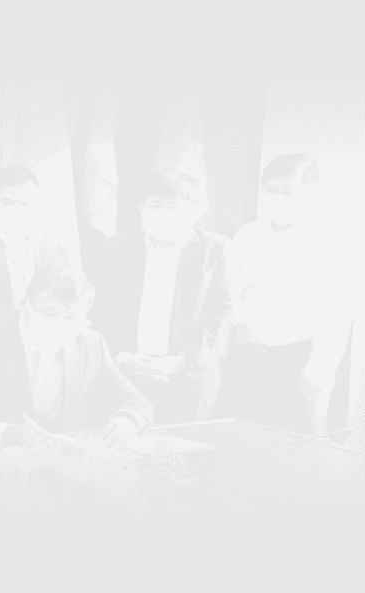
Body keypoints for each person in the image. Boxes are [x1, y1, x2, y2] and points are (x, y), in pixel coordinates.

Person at [0, 249, 154, 460]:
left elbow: (136, 400)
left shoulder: (92, 344)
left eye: (71, 319)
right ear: (25, 306)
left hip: (68, 463)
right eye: (50, 313)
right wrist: (4, 432)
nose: (59, 325)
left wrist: (127, 420)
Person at [214, 153, 348, 435]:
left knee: (293, 445)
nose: (276, 198)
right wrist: (228, 343)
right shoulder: (247, 235)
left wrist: (318, 369)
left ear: (311, 192)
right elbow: (231, 296)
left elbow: (338, 314)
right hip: (246, 358)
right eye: (270, 190)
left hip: (297, 359)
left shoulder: (330, 242)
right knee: (234, 437)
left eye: (287, 191)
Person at [90, 168, 231, 424]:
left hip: (182, 377)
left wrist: (183, 359)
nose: (164, 213)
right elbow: (100, 310)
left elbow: (220, 311)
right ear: (141, 208)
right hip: (121, 375)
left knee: (174, 442)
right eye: (155, 205)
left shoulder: (215, 249)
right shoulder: (114, 248)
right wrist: (121, 356)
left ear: (196, 210)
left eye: (174, 206)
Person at [0, 166, 78, 333]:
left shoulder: (53, 247)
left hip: (50, 337)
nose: (17, 210)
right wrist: (19, 335)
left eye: (25, 203)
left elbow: (69, 297)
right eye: (8, 202)